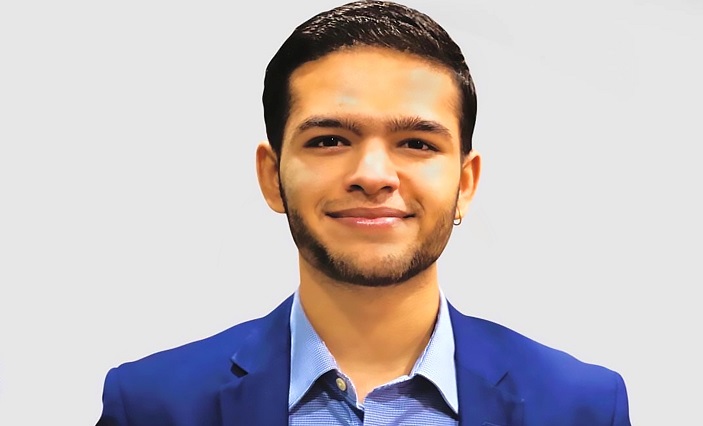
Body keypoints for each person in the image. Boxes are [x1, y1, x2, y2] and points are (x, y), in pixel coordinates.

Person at [96, 1, 630, 425]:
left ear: (465, 183)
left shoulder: (580, 407)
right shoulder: (151, 405)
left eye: (417, 143)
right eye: (329, 139)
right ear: (271, 176)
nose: (373, 175)